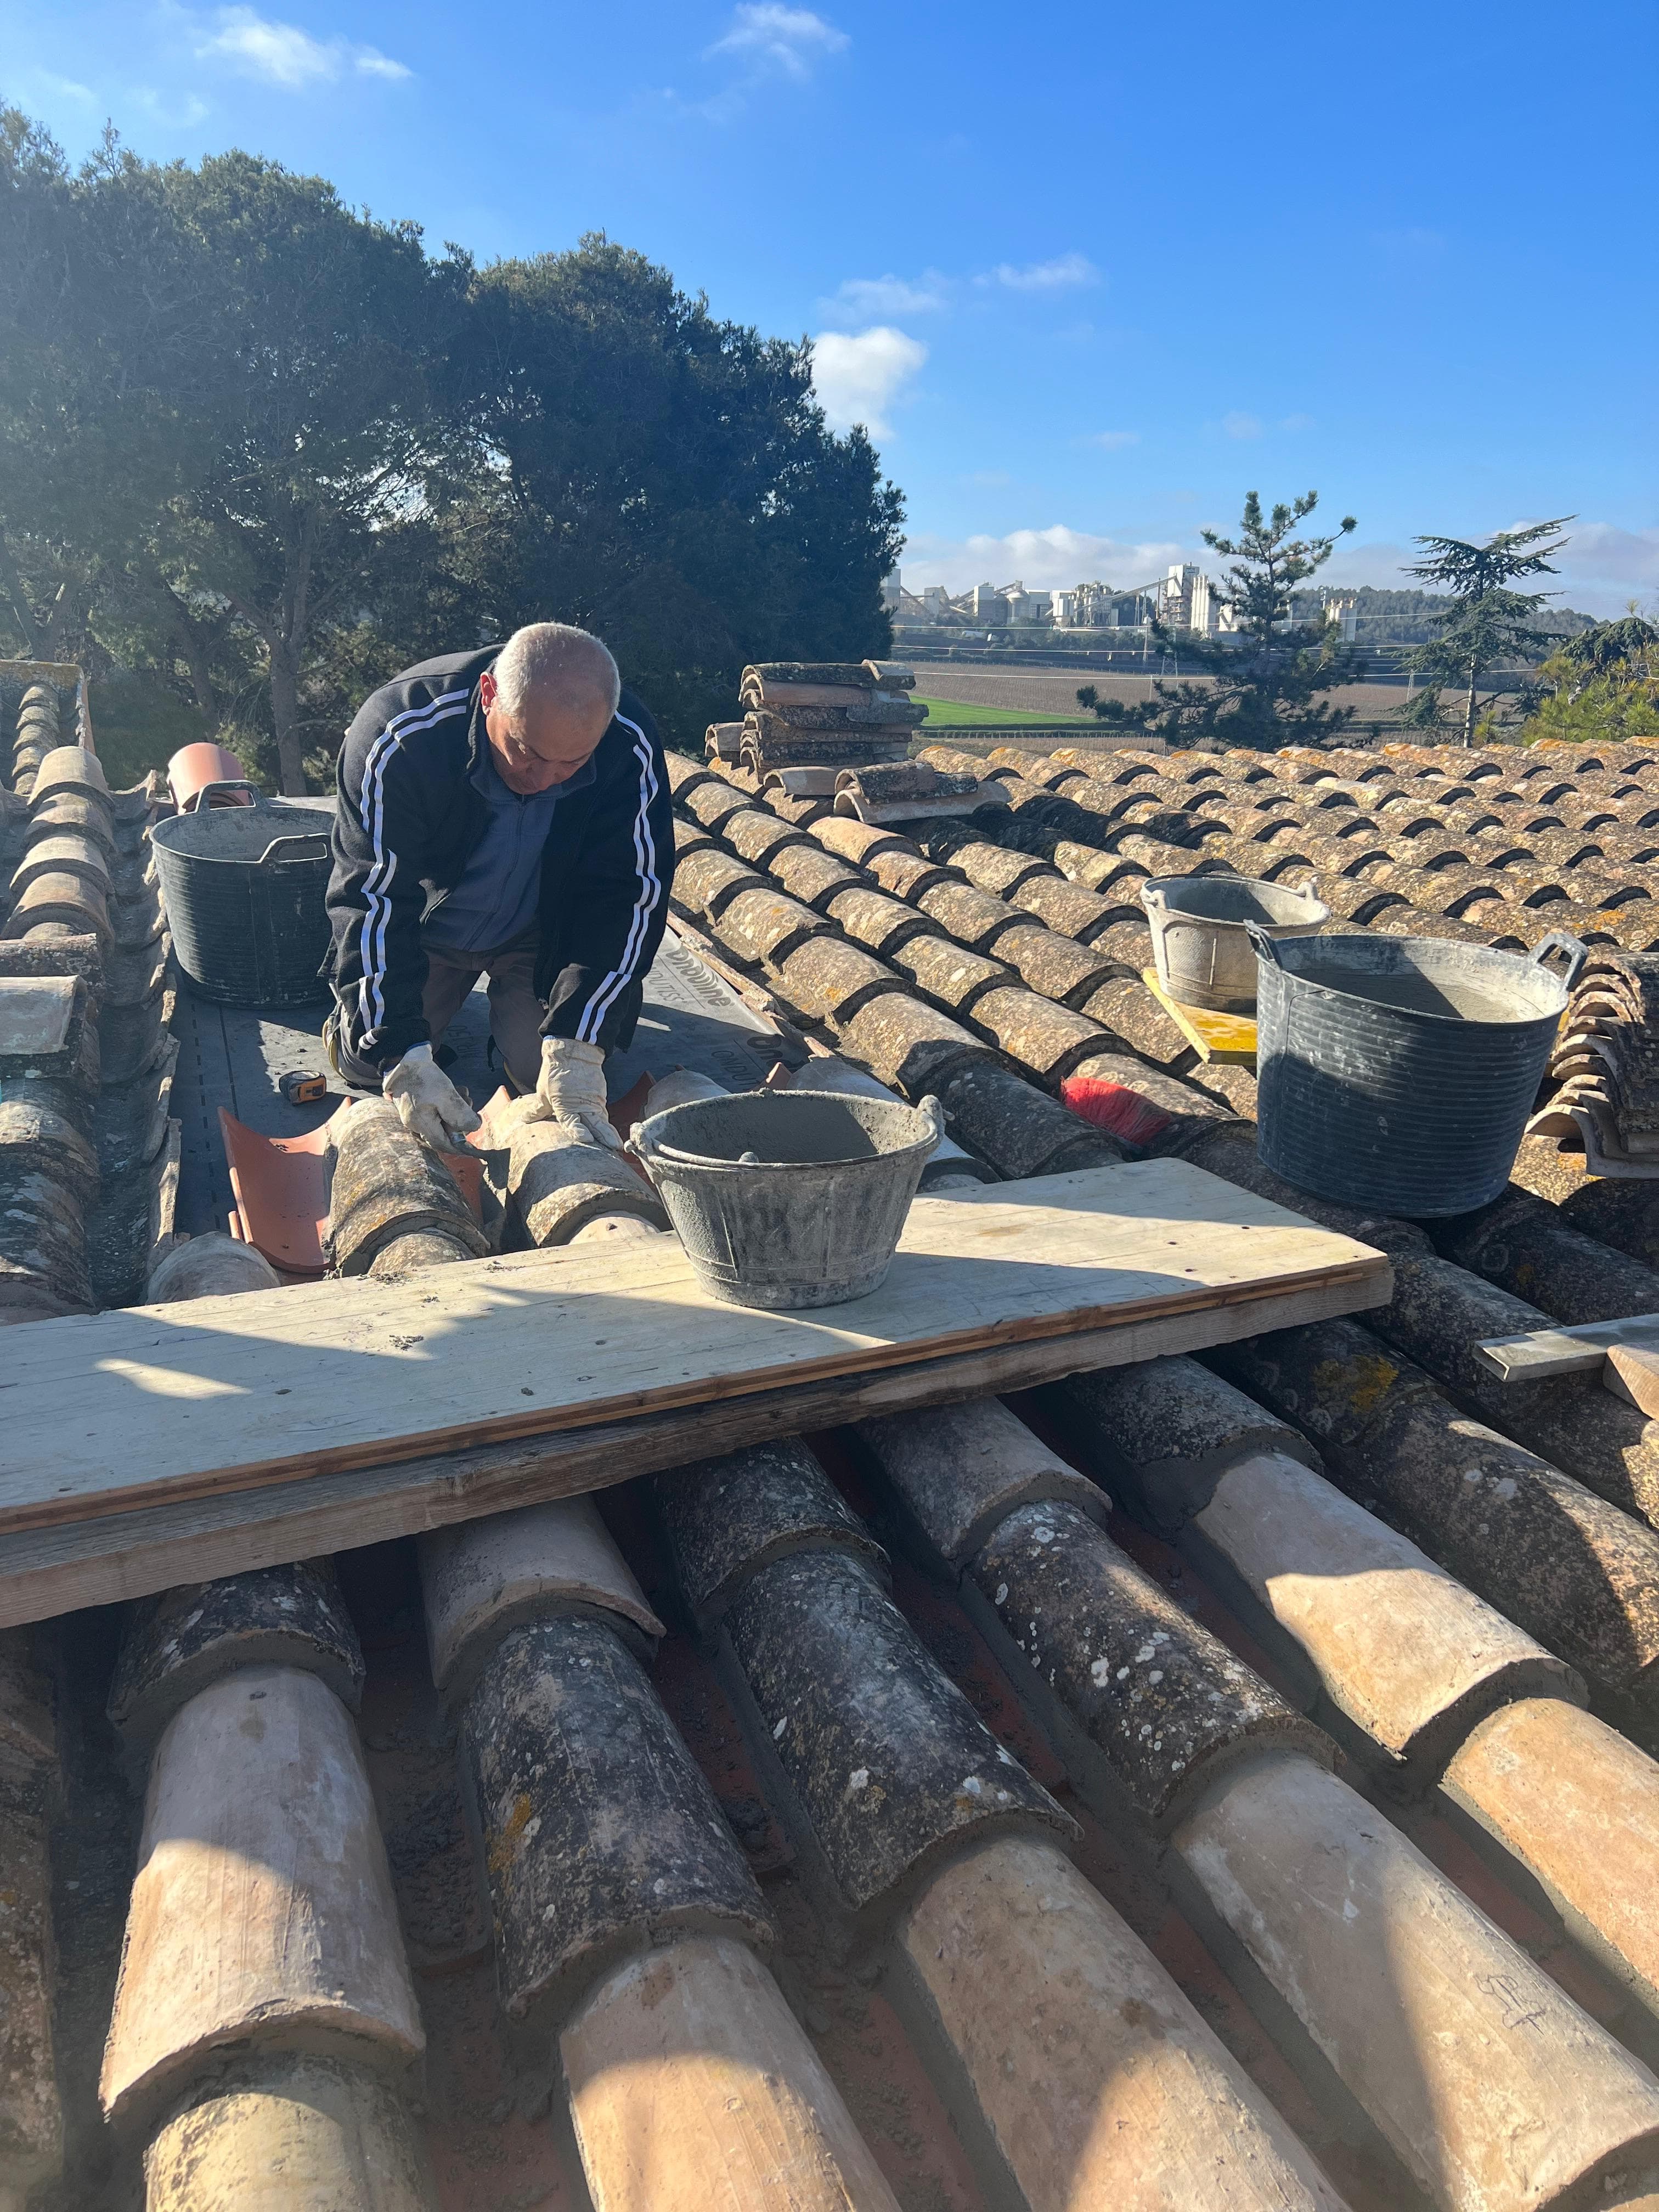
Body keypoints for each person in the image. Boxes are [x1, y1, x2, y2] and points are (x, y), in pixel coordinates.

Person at [324, 622, 674, 1153]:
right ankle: (366, 1022)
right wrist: (401, 1051)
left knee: (556, 1077)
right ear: (490, 695)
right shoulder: (400, 734)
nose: (545, 779)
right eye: (526, 751)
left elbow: (629, 898)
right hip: (427, 930)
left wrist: (580, 1041)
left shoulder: (628, 744)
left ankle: (514, 1022)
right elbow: (371, 900)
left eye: (573, 764)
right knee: (374, 1065)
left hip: (539, 936)